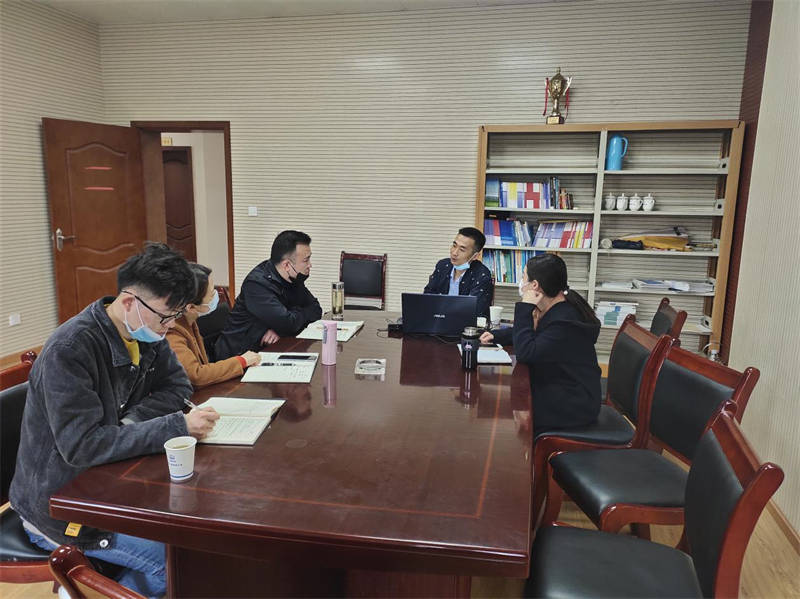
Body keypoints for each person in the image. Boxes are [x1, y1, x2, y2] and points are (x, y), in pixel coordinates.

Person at [9, 243, 220, 599]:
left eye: (175, 316)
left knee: (193, 536)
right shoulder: (70, 350)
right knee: (175, 564)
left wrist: (130, 423)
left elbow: (178, 386)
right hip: (60, 503)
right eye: (165, 317)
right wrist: (174, 427)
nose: (170, 326)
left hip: (113, 480)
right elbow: (82, 446)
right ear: (129, 302)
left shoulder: (145, 331)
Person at [480, 254, 601, 436]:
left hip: (574, 403)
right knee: (503, 403)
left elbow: (526, 352)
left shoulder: (564, 320)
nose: (521, 282)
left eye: (524, 277)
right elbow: (534, 335)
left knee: (503, 413)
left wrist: (524, 307)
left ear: (534, 285)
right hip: (559, 387)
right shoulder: (557, 307)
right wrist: (495, 336)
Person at [215, 230, 322, 360]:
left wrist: (280, 328)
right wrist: (285, 324)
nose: (310, 265)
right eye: (306, 260)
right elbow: (288, 323)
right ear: (287, 265)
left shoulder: (293, 278)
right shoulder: (257, 284)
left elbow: (316, 309)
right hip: (238, 357)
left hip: (268, 349)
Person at [167, 263, 260, 388]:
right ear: (191, 307)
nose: (216, 296)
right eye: (211, 295)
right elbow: (196, 375)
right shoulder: (171, 331)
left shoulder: (189, 320)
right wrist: (241, 361)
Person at [423, 227, 494, 319]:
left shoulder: (482, 275)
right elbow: (427, 296)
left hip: (465, 325)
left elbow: (474, 310)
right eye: (454, 245)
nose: (454, 253)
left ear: (475, 256)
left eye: (462, 249)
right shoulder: (443, 266)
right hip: (437, 320)